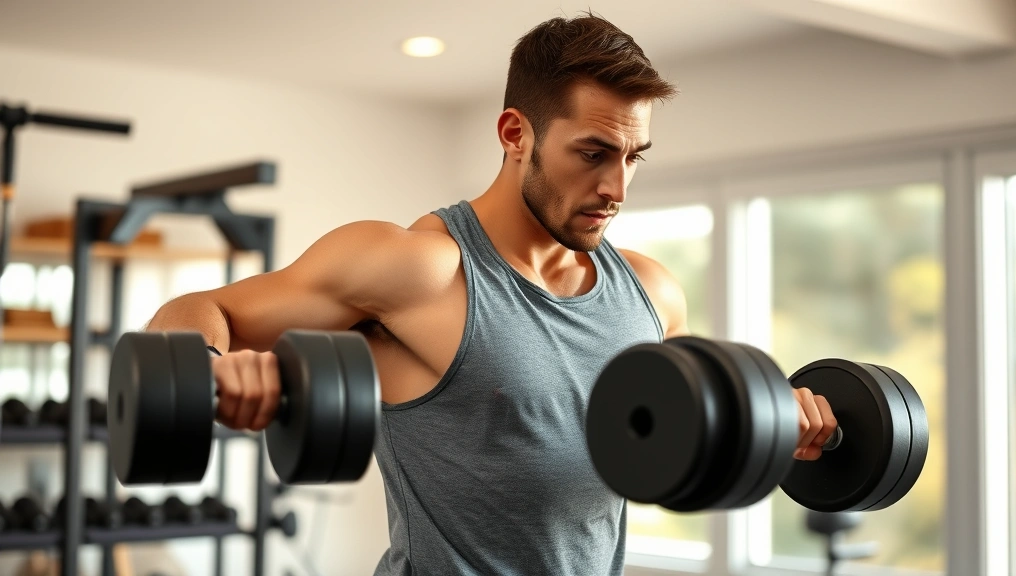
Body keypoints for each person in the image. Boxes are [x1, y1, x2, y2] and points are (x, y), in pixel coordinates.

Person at [145, 12, 837, 576]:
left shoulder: (652, 293)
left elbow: (697, 438)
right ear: (515, 135)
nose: (617, 189)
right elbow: (197, 312)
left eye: (634, 158)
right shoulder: (418, 269)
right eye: (593, 153)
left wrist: (783, 423)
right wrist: (211, 370)